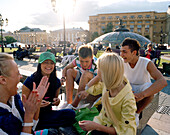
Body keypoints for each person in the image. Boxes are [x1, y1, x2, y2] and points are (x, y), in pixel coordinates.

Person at [78, 53, 137, 135]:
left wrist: (95, 126)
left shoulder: (128, 100)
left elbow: (126, 132)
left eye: (99, 70)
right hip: (104, 122)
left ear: (108, 73)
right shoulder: (109, 83)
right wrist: (98, 77)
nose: (97, 72)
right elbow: (90, 89)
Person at [22, 51, 75, 130]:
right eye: (45, 62)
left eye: (51, 63)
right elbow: (23, 104)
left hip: (47, 114)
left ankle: (42, 126)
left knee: (71, 113)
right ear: (40, 64)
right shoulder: (30, 81)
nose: (49, 66)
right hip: (32, 115)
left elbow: (55, 103)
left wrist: (56, 101)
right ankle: (41, 126)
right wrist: (36, 104)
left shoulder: (56, 81)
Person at [120, 38, 167, 126]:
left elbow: (162, 81)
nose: (121, 55)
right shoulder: (121, 62)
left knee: (150, 89)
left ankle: (137, 113)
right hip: (128, 88)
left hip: (142, 88)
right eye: (121, 51)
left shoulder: (146, 62)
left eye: (124, 52)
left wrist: (142, 94)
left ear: (134, 52)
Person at [0, 53, 49, 134]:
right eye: (17, 73)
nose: (21, 76)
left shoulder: (14, 98)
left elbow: (31, 126)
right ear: (3, 80)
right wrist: (29, 114)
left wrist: (37, 101)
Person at [60, 45, 98, 109]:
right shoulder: (77, 60)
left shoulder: (96, 64)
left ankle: (74, 105)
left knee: (85, 74)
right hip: (82, 79)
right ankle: (68, 102)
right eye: (81, 61)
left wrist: (88, 87)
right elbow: (66, 68)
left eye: (86, 61)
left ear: (91, 57)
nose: (84, 64)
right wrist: (63, 77)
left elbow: (99, 79)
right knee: (69, 71)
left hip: (93, 84)